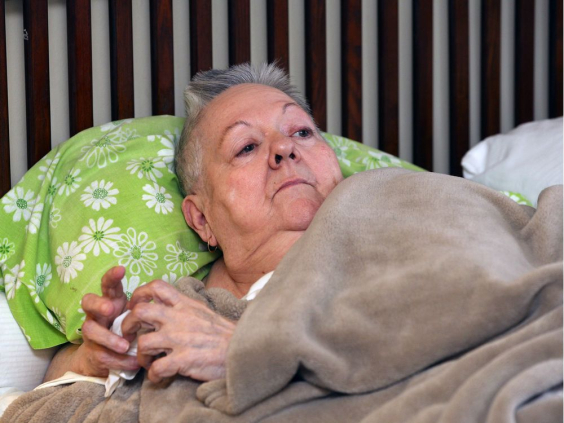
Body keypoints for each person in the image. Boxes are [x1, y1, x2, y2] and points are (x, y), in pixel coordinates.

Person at [44, 63, 343, 384]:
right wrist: (92, 360)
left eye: (301, 132)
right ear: (202, 219)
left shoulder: (396, 228)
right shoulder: (170, 316)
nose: (285, 147)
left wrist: (244, 353)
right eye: (247, 147)